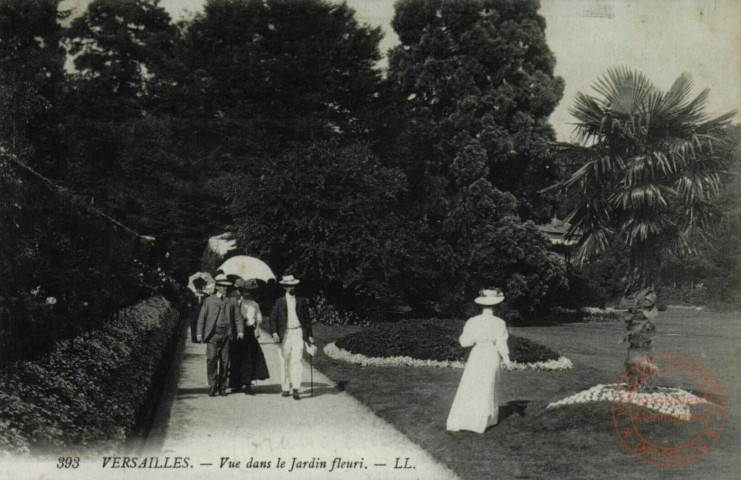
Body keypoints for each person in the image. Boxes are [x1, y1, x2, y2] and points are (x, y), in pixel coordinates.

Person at [447, 289, 512, 434]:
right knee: (486, 386)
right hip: (491, 354)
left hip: (477, 354)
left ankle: (463, 420)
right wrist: (507, 359)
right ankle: (481, 421)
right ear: (495, 306)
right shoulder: (499, 322)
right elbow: (501, 343)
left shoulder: (472, 321)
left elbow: (464, 342)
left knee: (471, 385)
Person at [196, 274, 244, 396]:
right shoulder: (209, 300)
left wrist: (240, 331)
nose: (225, 288)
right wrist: (199, 333)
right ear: (217, 287)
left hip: (227, 334)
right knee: (211, 359)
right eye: (222, 286)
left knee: (224, 360)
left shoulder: (232, 301)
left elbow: (238, 317)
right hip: (212, 334)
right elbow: (202, 317)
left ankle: (222, 386)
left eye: (226, 286)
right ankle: (212, 385)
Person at [269, 275, 314, 400]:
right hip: (285, 334)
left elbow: (307, 319)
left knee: (297, 360)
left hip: (298, 333)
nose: (291, 287)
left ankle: (296, 389)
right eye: (289, 285)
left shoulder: (301, 300)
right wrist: (274, 333)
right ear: (284, 287)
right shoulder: (279, 301)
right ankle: (285, 388)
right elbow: (273, 319)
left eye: (293, 285)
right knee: (284, 361)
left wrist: (309, 335)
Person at [229, 278, 270, 394]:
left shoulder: (254, 304)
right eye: (245, 291)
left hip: (249, 332)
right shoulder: (236, 302)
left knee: (249, 357)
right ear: (241, 291)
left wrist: (256, 329)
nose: (247, 293)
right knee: (236, 357)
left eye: (249, 292)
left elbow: (258, 319)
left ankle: (247, 384)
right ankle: (236, 383)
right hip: (238, 332)